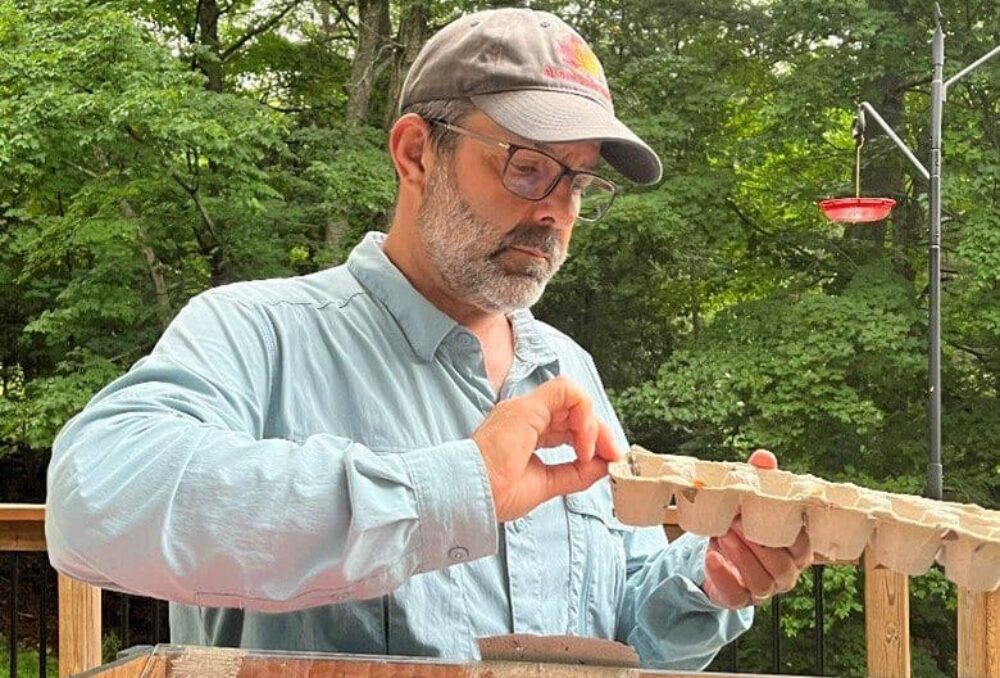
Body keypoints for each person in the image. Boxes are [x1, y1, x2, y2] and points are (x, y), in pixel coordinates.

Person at [45, 7, 811, 671]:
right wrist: (456, 487)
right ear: (416, 152)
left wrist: (711, 578)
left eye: (576, 184)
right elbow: (95, 504)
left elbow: (618, 635)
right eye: (527, 167)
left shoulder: (566, 369)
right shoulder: (257, 331)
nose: (556, 212)